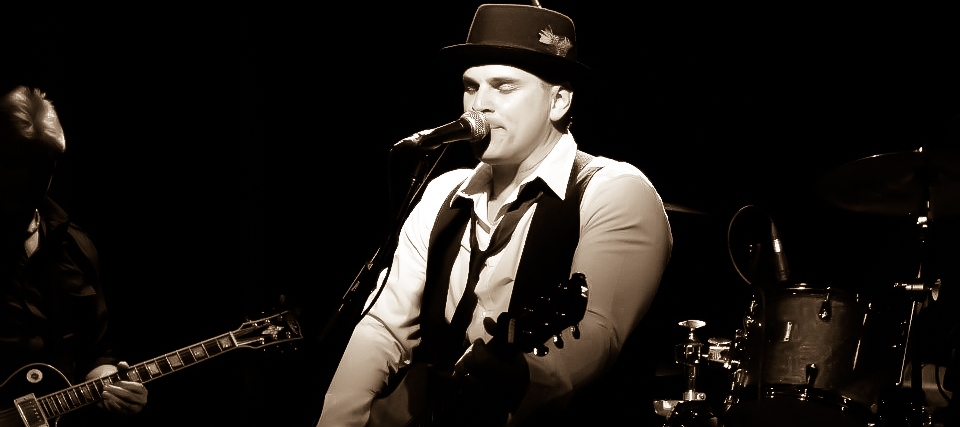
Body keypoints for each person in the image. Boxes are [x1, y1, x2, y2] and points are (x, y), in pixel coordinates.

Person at [318, 4, 673, 426]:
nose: (478, 105)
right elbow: (383, 326)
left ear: (558, 101)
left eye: (503, 87)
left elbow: (597, 333)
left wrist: (522, 376)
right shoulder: (442, 192)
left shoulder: (614, 191)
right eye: (471, 87)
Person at [0, 85, 148, 425]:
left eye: (43, 167)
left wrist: (115, 386)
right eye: (12, 164)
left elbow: (96, 353)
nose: (28, 181)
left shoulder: (75, 247)